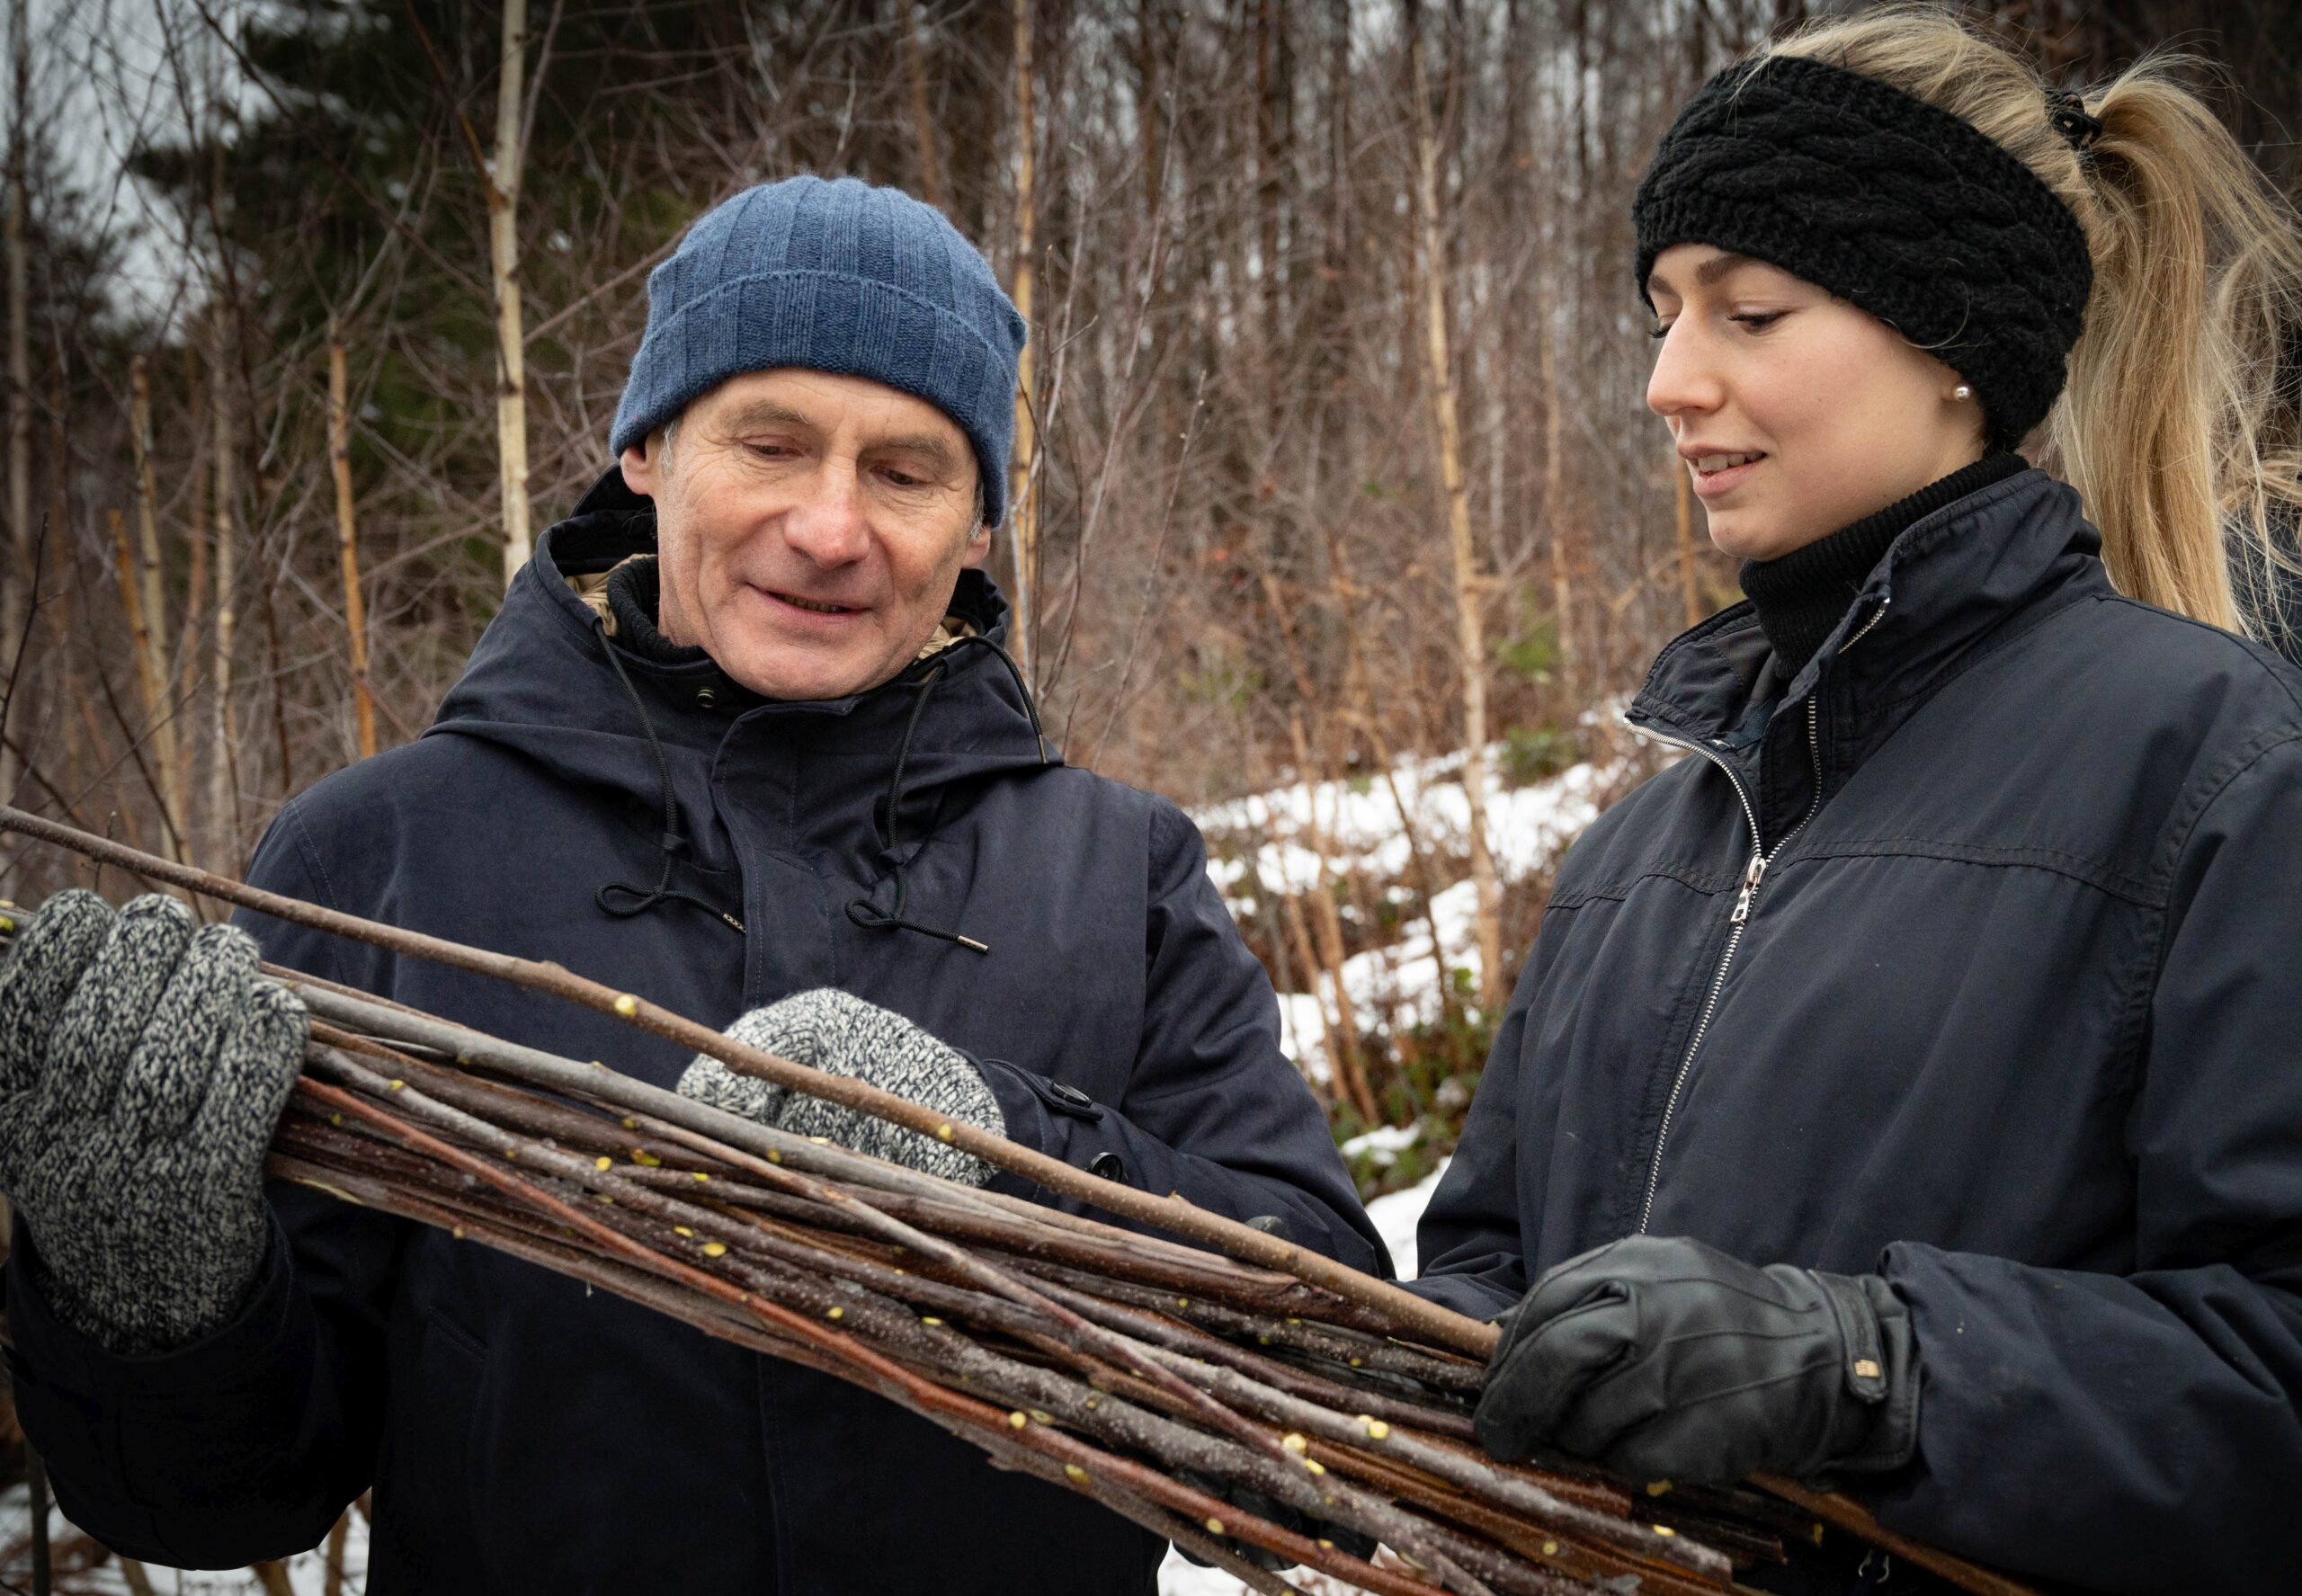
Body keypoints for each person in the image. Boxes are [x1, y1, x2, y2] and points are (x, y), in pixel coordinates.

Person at [0, 174, 1384, 1594]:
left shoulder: (1118, 871)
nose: (832, 529)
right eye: (770, 445)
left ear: (978, 525)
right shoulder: (384, 856)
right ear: (648, 450)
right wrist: (146, 1295)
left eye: (907, 472)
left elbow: (1330, 1392)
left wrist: (1002, 1153)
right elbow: (221, 1503)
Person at [1413, 13, 2302, 1594]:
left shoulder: (2219, 770)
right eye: (1662, 312)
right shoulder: (1642, 846)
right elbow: (1485, 1268)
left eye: (1752, 310)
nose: (1667, 382)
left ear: (1954, 333)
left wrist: (1874, 1370)